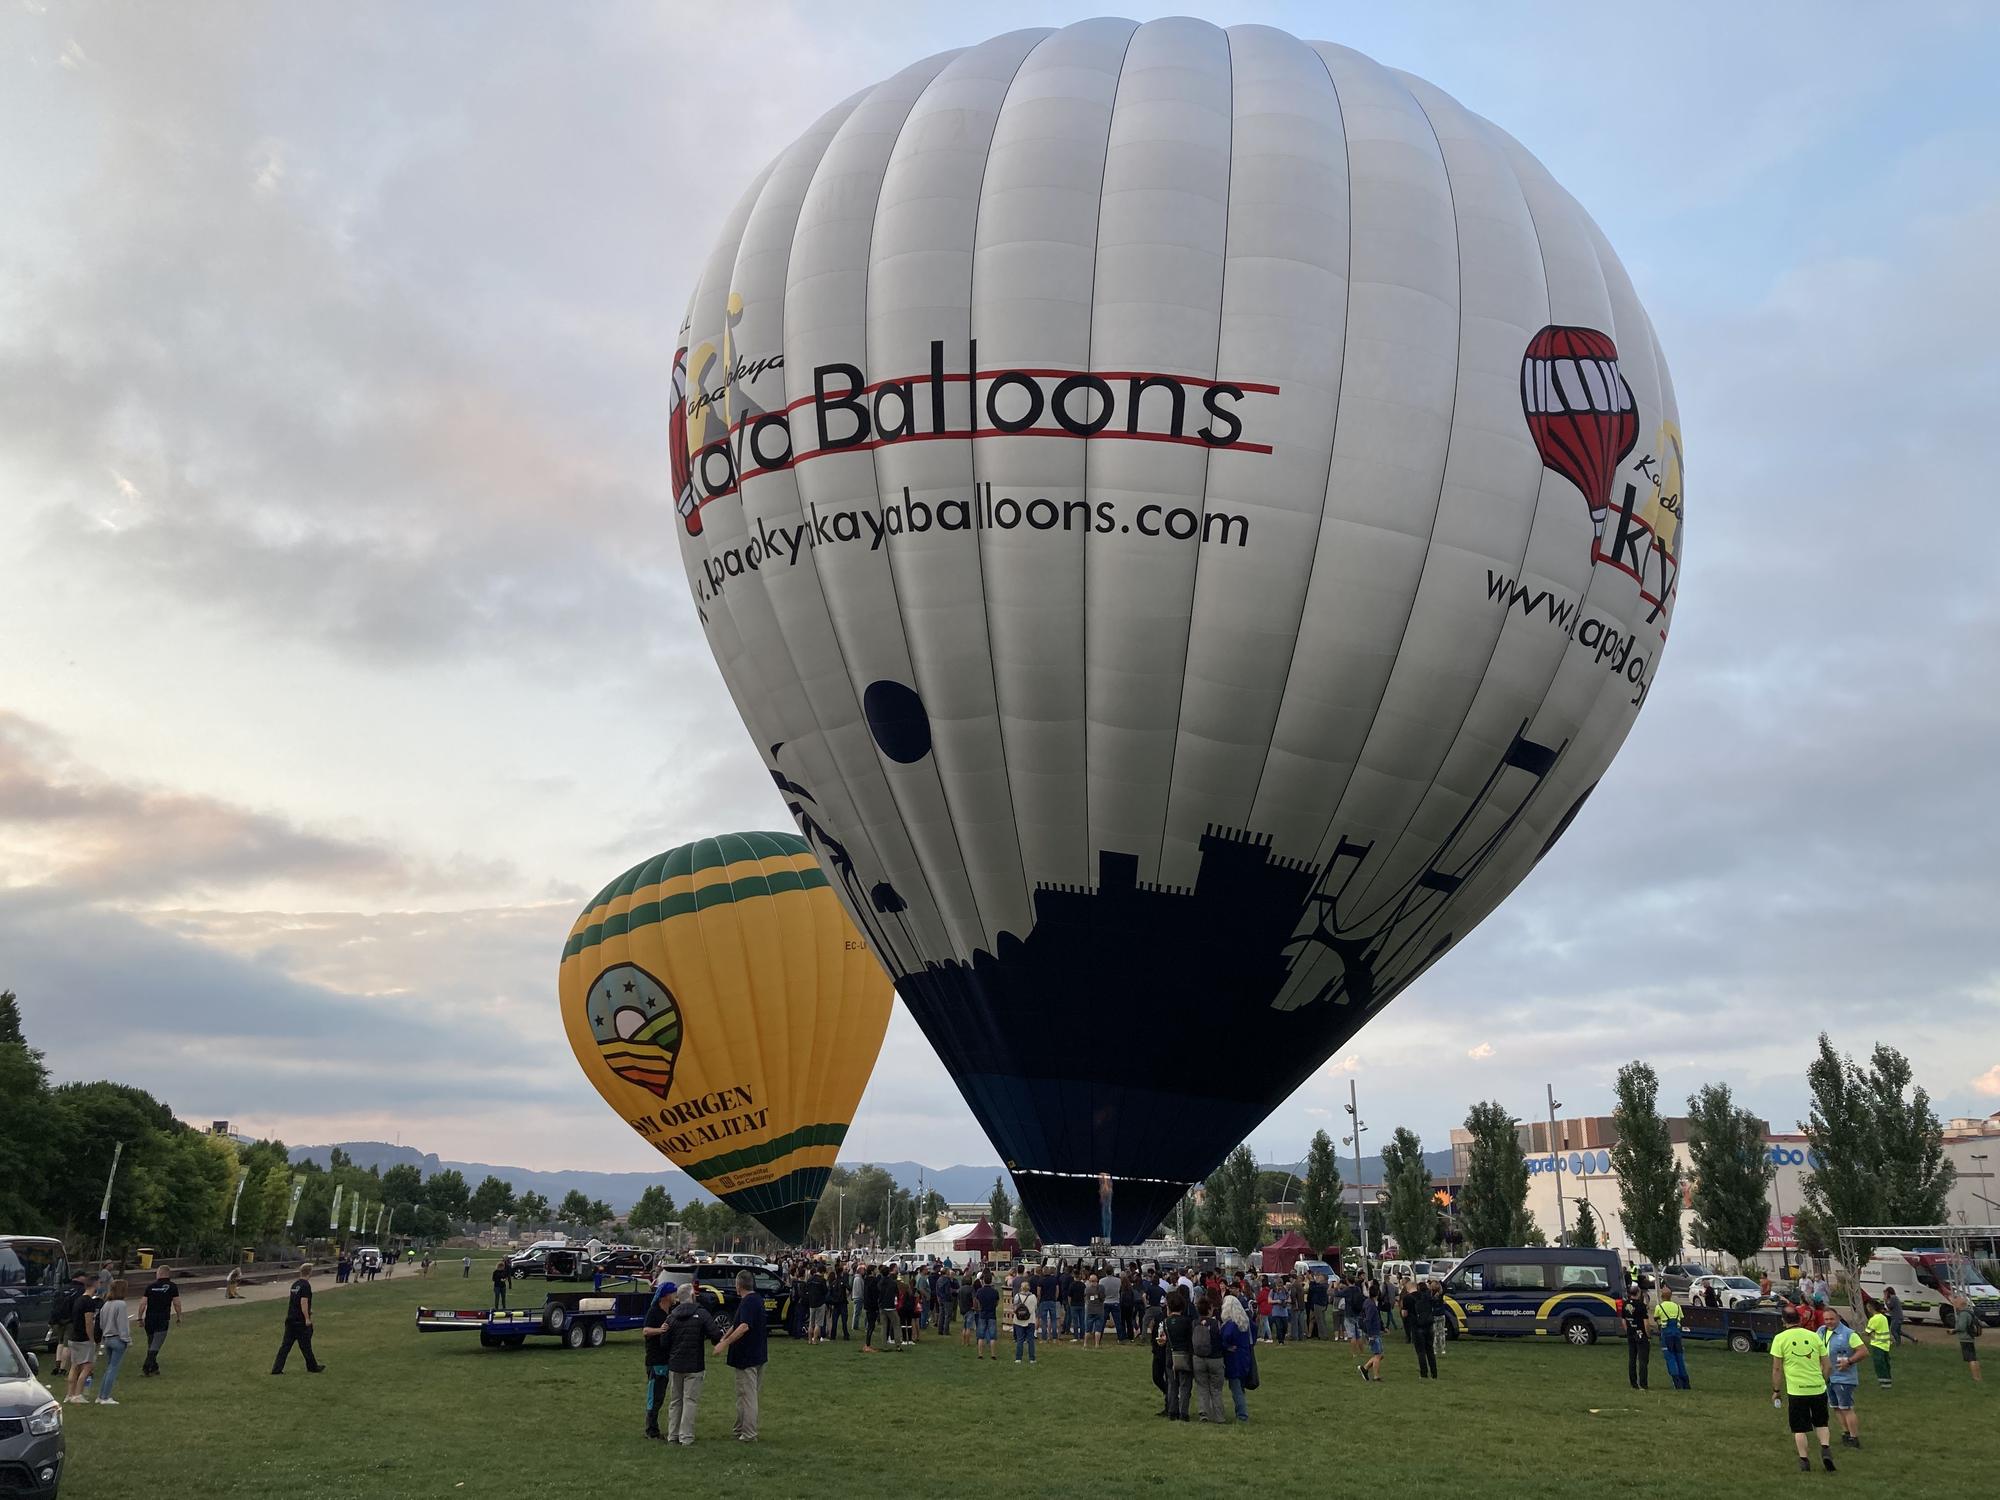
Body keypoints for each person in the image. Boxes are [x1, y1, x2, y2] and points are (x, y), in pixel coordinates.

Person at [1771, 1305, 1837, 1473]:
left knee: (1799, 1428)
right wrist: (1823, 1380)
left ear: (1783, 1321)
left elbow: (1777, 1369)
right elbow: (1828, 1365)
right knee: (1821, 1423)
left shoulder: (1780, 1339)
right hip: (1817, 1388)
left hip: (1797, 1391)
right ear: (1800, 1320)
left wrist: (1776, 1390)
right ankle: (1825, 1448)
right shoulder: (1815, 1337)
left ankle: (1804, 1461)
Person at [662, 1277, 720, 1446]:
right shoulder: (701, 1314)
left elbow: (664, 1342)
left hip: (675, 1364)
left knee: (675, 1401)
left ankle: (672, 1435)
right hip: (694, 1365)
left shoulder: (671, 1317)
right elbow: (715, 1333)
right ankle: (686, 1436)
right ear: (693, 1296)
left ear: (679, 1298)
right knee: (690, 1401)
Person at [713, 1270, 768, 1442]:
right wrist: (725, 1336)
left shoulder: (748, 1302)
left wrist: (725, 1344)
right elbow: (737, 1323)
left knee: (748, 1396)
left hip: (747, 1357)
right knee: (744, 1395)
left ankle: (749, 1433)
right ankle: (740, 1428)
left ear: (738, 1285)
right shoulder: (755, 1300)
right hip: (758, 1354)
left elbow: (744, 1326)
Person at [1821, 1306, 1864, 1447]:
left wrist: (1849, 1361)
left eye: (1831, 1319)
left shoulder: (1849, 1334)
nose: (1829, 1322)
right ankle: (1845, 1433)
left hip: (1844, 1378)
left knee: (1846, 1407)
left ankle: (1854, 1437)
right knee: (1836, 1407)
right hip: (1828, 1376)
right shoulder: (1821, 1332)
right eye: (1826, 1319)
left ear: (1838, 1318)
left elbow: (1863, 1351)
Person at [271, 1268, 326, 1375]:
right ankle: (312, 1367)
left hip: (291, 1318)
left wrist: (309, 1310)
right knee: (306, 1346)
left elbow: (294, 1302)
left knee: (285, 1346)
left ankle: (277, 1368)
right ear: (309, 1272)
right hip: (300, 1321)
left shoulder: (295, 1285)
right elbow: (303, 1302)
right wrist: (307, 1318)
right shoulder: (306, 1285)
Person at [641, 1281, 676, 1440]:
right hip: (655, 1361)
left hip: (666, 1359)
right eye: (673, 1293)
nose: (675, 1296)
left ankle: (653, 1428)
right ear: (666, 1296)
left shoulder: (670, 1312)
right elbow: (646, 1330)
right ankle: (651, 1430)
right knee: (654, 1396)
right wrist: (660, 1330)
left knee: (660, 1396)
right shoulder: (654, 1312)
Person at [62, 1274, 98, 1404]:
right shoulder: (89, 1302)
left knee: (75, 1365)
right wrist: (92, 1339)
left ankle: (69, 1394)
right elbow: (88, 1322)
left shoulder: (78, 1299)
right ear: (95, 1284)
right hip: (83, 1338)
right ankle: (78, 1394)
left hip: (73, 1336)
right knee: (87, 1366)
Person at [139, 1266, 180, 1376]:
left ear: (160, 1273)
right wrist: (179, 1316)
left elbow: (143, 1303)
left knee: (151, 1342)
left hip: (150, 1318)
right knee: (156, 1344)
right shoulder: (172, 1287)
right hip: (162, 1318)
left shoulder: (150, 1287)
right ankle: (147, 1366)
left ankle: (154, 1367)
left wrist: (139, 1317)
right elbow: (176, 1303)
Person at [1162, 1287, 1194, 1421]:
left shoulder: (1166, 1322)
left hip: (1171, 1355)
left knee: (1172, 1385)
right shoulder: (1187, 1322)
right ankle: (1184, 1412)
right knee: (1185, 1385)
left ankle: (1172, 1411)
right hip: (1185, 1355)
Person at [1220, 1293, 1252, 1421]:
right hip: (1244, 1356)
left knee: (1236, 1388)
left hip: (1234, 1359)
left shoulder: (1230, 1325)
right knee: (1240, 1386)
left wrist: (1226, 1346)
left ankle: (1242, 1414)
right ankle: (1242, 1411)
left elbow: (1225, 1338)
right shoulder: (1245, 1323)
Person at [1655, 1288, 1690, 1390]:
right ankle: (1686, 1383)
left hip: (1667, 1335)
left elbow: (1656, 1318)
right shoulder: (1677, 1306)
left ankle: (1677, 1383)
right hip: (1677, 1334)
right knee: (1679, 1357)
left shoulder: (1659, 1307)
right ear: (1671, 1296)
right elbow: (1681, 1318)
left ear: (1662, 1296)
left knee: (1670, 1358)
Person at [1409, 1278, 1439, 1380]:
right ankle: (1434, 1373)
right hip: (1429, 1325)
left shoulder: (1415, 1299)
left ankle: (1424, 1373)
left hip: (1419, 1326)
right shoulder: (1429, 1298)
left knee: (1421, 1352)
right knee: (1430, 1350)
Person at [1623, 1280, 1651, 1391]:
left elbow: (1623, 1320)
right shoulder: (1641, 1305)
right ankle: (1643, 1383)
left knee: (1632, 1359)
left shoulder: (1625, 1304)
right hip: (1641, 1334)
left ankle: (1633, 1383)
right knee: (1643, 1360)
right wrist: (1648, 1335)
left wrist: (1628, 1331)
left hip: (1631, 1334)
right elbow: (1646, 1322)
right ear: (1638, 1293)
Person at [1951, 1291, 1984, 1383]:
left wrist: (1953, 1331)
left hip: (1965, 1338)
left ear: (1960, 1305)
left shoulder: (1963, 1314)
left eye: (1956, 1303)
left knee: (1971, 1359)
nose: (1955, 1305)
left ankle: (1976, 1378)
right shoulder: (1969, 1312)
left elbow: (1961, 1327)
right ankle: (1979, 1377)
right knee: (1974, 1358)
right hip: (1970, 1337)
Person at [1863, 1297, 1893, 1389]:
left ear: (1870, 1307)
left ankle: (1883, 1383)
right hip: (1885, 1344)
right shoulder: (1883, 1317)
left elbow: (1867, 1332)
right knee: (1886, 1364)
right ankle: (1888, 1381)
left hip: (1877, 1344)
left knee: (1879, 1365)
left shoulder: (1874, 1319)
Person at [1358, 1288, 1385, 1382]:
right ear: (1377, 1294)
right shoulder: (1371, 1305)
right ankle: (1376, 1376)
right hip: (1373, 1333)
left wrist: (1382, 1328)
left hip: (1375, 1331)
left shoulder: (1368, 1302)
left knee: (1381, 1354)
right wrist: (1370, 1335)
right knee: (1377, 1355)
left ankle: (1365, 1368)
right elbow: (1368, 1320)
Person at [973, 1270, 1000, 1360]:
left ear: (983, 1281)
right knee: (992, 1336)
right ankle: (993, 1354)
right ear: (991, 1280)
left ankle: (980, 1354)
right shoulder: (995, 1292)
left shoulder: (980, 1291)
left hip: (982, 1314)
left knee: (981, 1336)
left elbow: (976, 1302)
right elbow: (997, 1303)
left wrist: (979, 1309)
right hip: (992, 1314)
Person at [1010, 1281, 1038, 1364]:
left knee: (1020, 1340)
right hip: (1030, 1320)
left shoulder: (1017, 1296)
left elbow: (1014, 1308)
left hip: (1018, 1321)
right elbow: (1035, 1307)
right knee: (1031, 1340)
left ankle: (1018, 1358)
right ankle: (1032, 1358)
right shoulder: (1033, 1297)